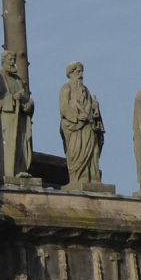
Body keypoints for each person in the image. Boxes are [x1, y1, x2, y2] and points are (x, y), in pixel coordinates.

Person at [0, 49, 34, 182]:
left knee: (20, 145)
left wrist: (28, 104)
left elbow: (26, 98)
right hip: (7, 121)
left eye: (14, 59)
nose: (13, 62)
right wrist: (13, 98)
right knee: (8, 146)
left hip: (20, 119)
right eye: (10, 59)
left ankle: (20, 170)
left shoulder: (19, 80)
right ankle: (8, 174)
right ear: (4, 61)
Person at [58, 61, 103, 189]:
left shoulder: (86, 90)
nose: (81, 75)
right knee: (77, 152)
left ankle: (93, 177)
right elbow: (64, 108)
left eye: (82, 72)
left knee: (92, 152)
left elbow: (90, 107)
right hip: (74, 127)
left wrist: (94, 108)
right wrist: (77, 116)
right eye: (78, 72)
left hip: (88, 126)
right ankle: (79, 178)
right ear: (71, 73)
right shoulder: (66, 89)